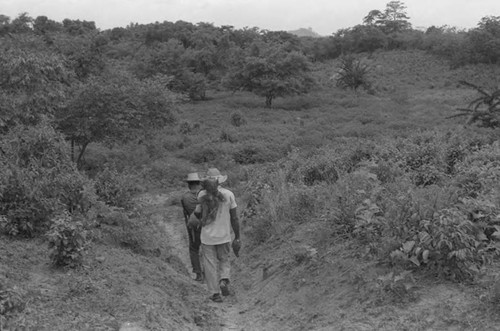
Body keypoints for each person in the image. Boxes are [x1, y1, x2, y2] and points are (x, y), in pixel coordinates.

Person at [193, 168, 241, 303]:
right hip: (224, 235)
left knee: (210, 265)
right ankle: (224, 280)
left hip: (207, 237)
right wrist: (237, 236)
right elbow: (234, 218)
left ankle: (215, 294)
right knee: (224, 259)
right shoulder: (229, 195)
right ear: (219, 181)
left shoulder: (201, 194)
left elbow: (197, 213)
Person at [180, 172, 203, 282]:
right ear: (199, 183)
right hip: (207, 224)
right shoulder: (203, 195)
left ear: (189, 184)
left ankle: (198, 274)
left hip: (193, 226)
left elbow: (186, 214)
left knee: (194, 249)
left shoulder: (185, 197)